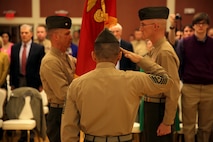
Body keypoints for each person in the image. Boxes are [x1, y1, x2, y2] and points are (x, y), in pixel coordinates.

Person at [61, 28, 174, 142]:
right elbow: (167, 81)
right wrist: (141, 60)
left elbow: (68, 128)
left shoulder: (76, 84)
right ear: (120, 56)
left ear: (93, 56)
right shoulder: (134, 79)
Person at [138, 7, 180, 142]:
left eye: (143, 25)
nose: (140, 29)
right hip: (152, 107)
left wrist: (167, 122)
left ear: (156, 26)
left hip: (159, 110)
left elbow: (172, 90)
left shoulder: (164, 52)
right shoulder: (156, 49)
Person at [176, 12, 213, 142]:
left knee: (206, 126)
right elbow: (179, 64)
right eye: (198, 23)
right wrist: (181, 81)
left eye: (203, 23)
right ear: (194, 26)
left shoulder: (212, 43)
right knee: (189, 125)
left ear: (208, 25)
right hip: (190, 87)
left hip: (209, 88)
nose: (200, 26)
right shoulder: (184, 43)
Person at [40, 15, 76, 142]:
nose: (71, 37)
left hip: (68, 112)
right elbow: (63, 94)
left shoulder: (66, 58)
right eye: (67, 34)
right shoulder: (50, 61)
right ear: (56, 36)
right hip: (59, 114)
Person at [9, 24, 45, 142]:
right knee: (20, 106)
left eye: (26, 33)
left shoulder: (38, 48)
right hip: (19, 81)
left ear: (31, 34)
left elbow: (41, 67)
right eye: (22, 33)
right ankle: (23, 134)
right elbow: (13, 66)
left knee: (31, 106)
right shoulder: (15, 47)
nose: (23, 35)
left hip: (33, 81)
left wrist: (41, 83)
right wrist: (13, 83)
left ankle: (33, 133)